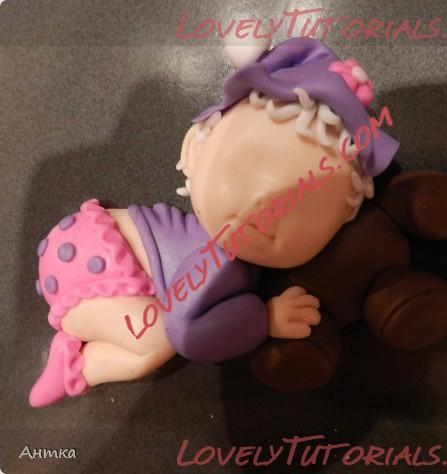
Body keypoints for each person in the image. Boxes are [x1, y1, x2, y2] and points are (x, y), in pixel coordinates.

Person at [29, 37, 399, 407]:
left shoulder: (229, 259)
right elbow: (188, 332)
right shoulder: (219, 262)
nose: (263, 207)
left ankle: (78, 342)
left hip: (91, 243)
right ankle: (79, 366)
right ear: (194, 150)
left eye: (301, 207)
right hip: (95, 264)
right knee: (157, 341)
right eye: (244, 171)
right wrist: (266, 319)